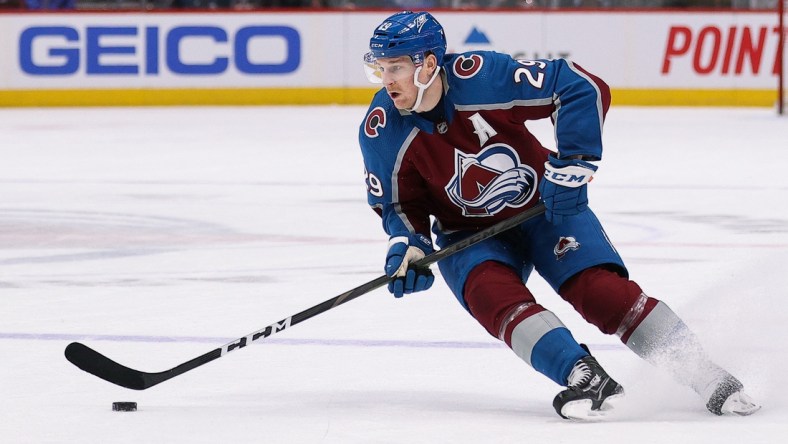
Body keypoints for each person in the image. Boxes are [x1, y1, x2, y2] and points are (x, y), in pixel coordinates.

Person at [357, 11, 761, 420]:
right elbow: (398, 204)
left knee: (601, 293)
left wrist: (572, 166)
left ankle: (704, 372)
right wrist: (408, 243)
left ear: (428, 64)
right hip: (466, 233)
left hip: (545, 207)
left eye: (397, 67)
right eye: (381, 69)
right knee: (493, 297)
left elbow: (578, 85)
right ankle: (584, 377)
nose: (387, 80)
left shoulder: (484, 77)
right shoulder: (381, 128)